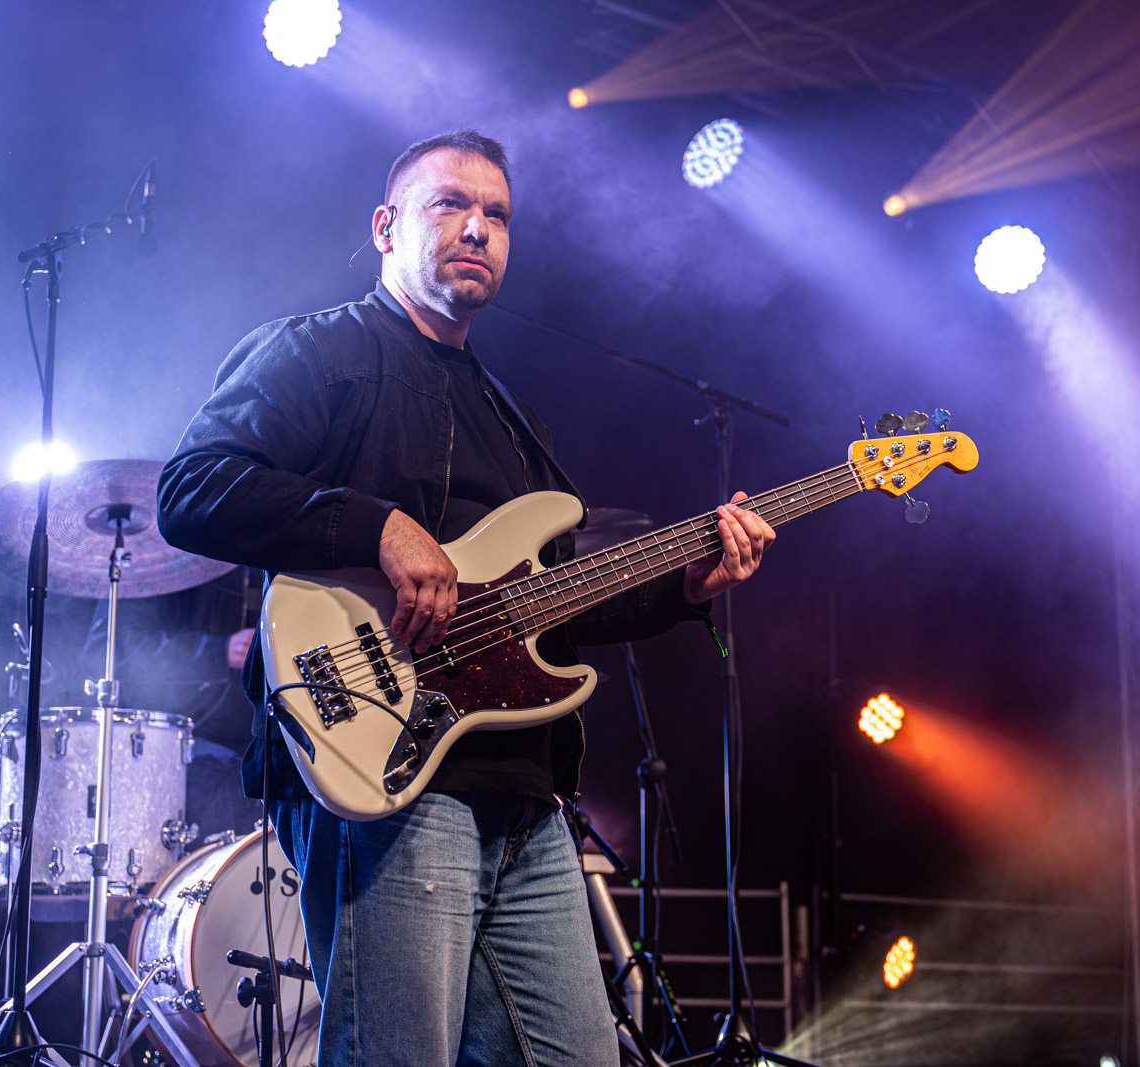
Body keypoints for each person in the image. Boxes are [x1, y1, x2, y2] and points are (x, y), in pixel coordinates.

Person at [157, 129, 774, 1067]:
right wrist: (377, 525)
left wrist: (686, 585)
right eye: (450, 204)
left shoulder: (514, 419)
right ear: (385, 226)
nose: (478, 228)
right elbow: (194, 488)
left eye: (497, 214)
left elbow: (557, 602)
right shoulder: (321, 351)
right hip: (388, 770)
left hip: (523, 796)